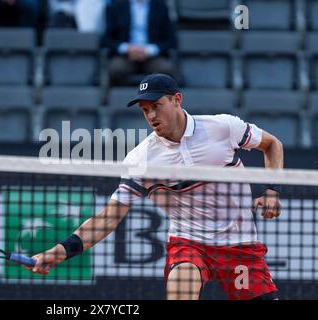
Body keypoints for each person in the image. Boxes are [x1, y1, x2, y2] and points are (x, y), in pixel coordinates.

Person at [29, 73, 284, 300]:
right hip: (189, 242)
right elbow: (107, 219)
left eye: (156, 106)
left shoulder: (223, 127)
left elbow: (272, 145)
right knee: (181, 288)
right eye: (144, 109)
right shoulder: (141, 160)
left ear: (177, 100)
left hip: (239, 244)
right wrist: (57, 252)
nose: (151, 115)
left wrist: (272, 190)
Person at [102, 0, 176, 86]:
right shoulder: (117, 7)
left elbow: (170, 40)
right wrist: (126, 48)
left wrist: (149, 50)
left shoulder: (160, 6)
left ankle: (154, 98)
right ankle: (125, 97)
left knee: (165, 69)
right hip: (125, 56)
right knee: (115, 69)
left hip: (153, 57)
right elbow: (107, 39)